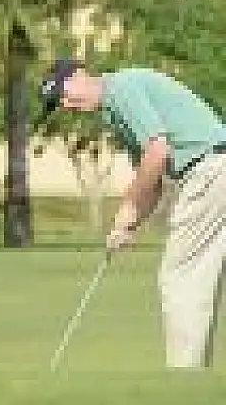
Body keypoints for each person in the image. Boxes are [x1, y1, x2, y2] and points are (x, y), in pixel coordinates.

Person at [40, 57, 226, 369]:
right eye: (59, 102)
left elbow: (157, 153)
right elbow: (152, 181)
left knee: (180, 278)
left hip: (209, 172)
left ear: (81, 74)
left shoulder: (121, 88)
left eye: (64, 92)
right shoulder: (114, 112)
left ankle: (185, 378)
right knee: (193, 275)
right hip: (215, 171)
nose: (66, 104)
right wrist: (127, 225)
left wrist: (127, 208)